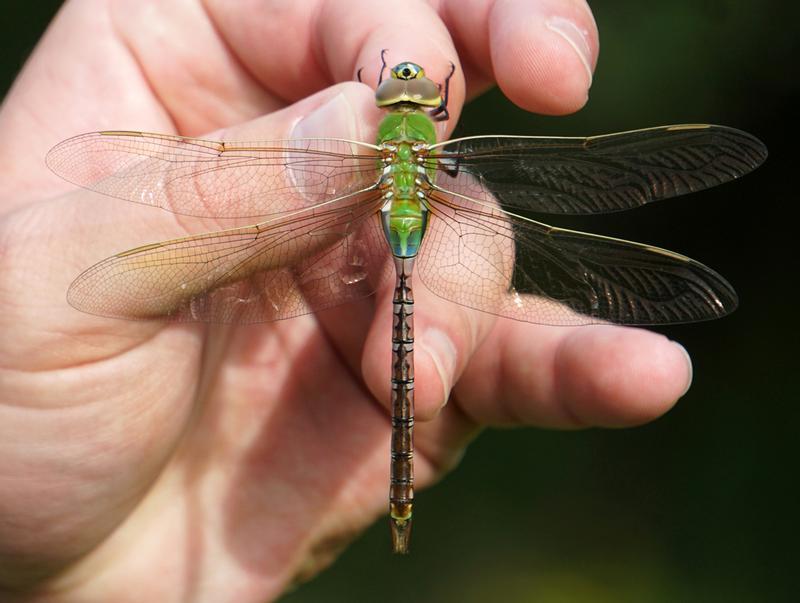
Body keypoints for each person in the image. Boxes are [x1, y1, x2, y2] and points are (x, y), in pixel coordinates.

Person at [0, 0, 692, 600]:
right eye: (407, 89)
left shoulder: (365, 155)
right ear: (427, 113)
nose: (412, 91)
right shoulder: (424, 148)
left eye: (411, 92)